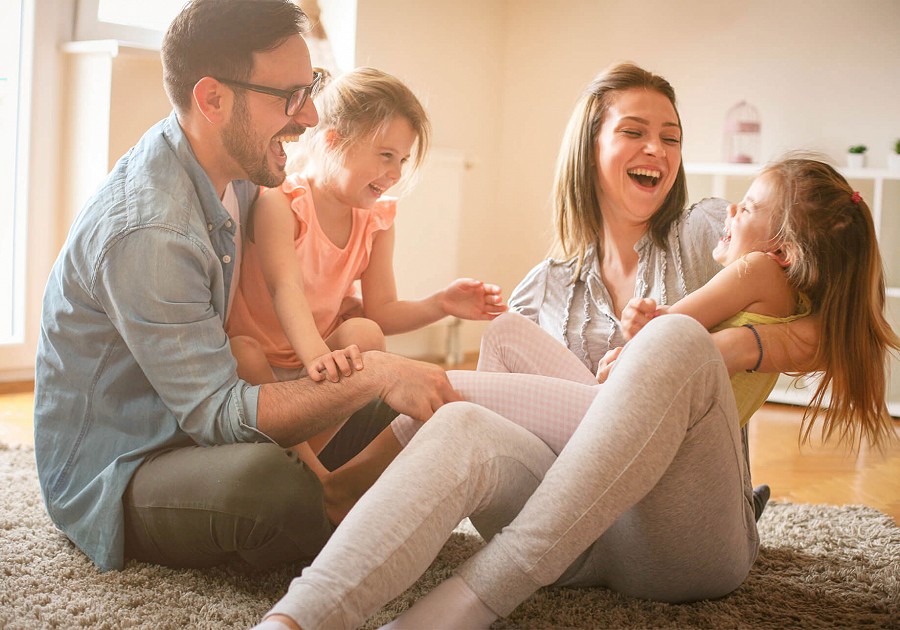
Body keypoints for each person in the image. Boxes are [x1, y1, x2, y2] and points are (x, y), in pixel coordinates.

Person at [254, 64, 895, 630]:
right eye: (634, 131)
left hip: (681, 538)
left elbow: (832, 319)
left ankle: (473, 593)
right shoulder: (544, 286)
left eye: (671, 137)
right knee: (469, 404)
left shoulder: (710, 233)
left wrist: (732, 349)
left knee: (673, 337)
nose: (657, 150)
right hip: (577, 536)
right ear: (590, 147)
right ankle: (297, 616)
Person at [32, 0, 459, 573]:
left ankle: (343, 500)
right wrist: (376, 372)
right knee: (269, 490)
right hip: (134, 459)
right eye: (289, 97)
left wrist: (363, 353)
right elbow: (216, 412)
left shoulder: (243, 178)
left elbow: (296, 288)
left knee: (410, 421)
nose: (309, 118)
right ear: (212, 99)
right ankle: (336, 509)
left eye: (311, 89)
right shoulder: (152, 232)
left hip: (201, 419)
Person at [225, 67, 505, 479]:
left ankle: (315, 468)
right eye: (386, 155)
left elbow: (383, 310)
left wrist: (442, 303)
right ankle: (319, 480)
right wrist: (320, 359)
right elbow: (285, 289)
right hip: (263, 369)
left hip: (313, 363)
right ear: (335, 141)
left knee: (366, 333)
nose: (395, 173)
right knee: (241, 350)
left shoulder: (376, 219)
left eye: (403, 160)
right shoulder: (282, 203)